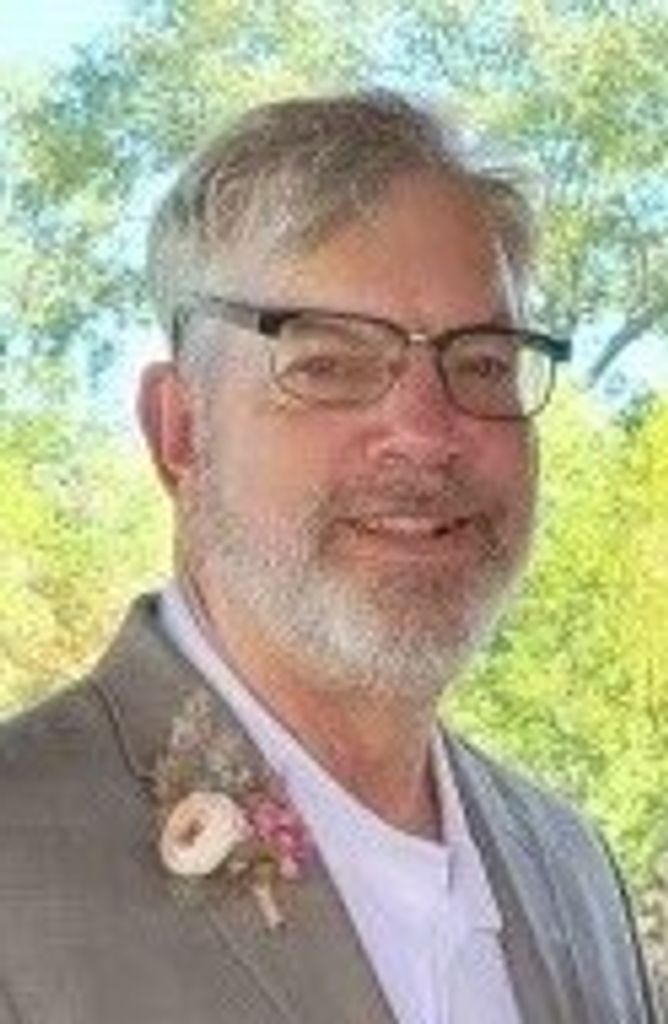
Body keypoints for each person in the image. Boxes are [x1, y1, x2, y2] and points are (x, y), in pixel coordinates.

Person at [0, 91, 659, 1024]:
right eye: (328, 365)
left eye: (482, 362)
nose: (426, 433)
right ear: (181, 431)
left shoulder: (571, 871)